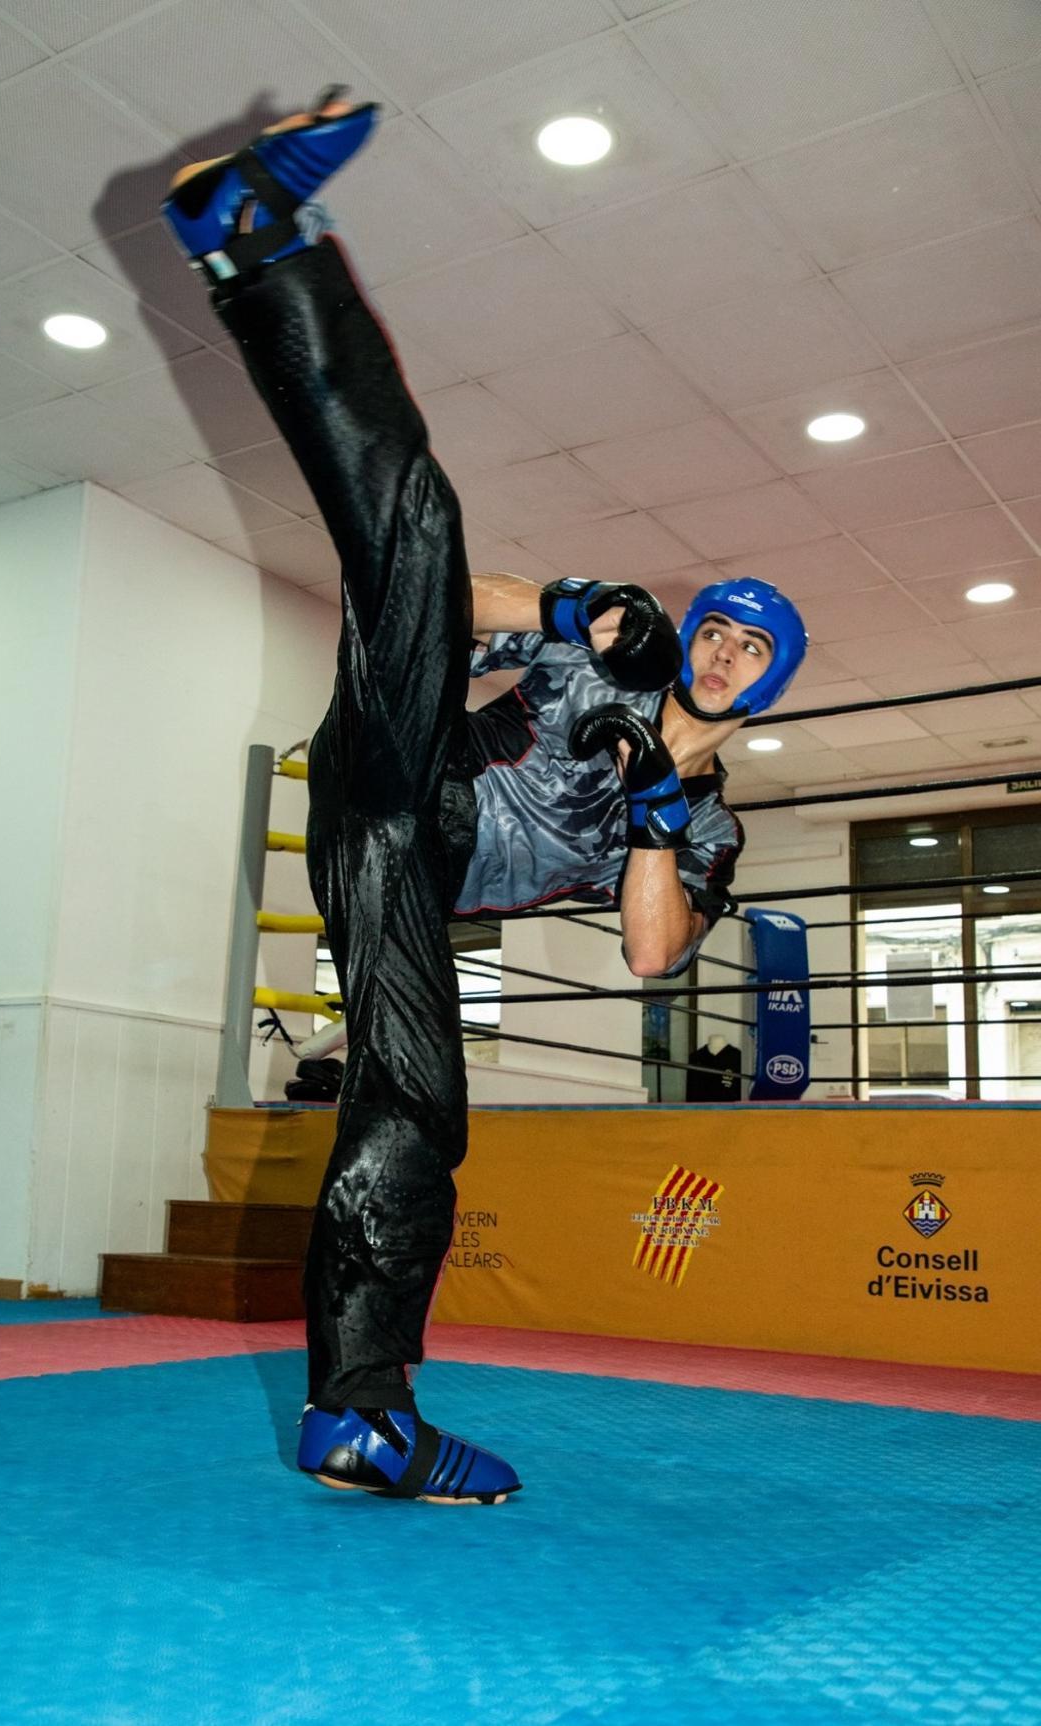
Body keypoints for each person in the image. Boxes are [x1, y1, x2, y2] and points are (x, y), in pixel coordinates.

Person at [161, 92, 807, 1506]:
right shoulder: (612, 653)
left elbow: (650, 952)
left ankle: (362, 1413)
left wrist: (648, 813)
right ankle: (260, 243)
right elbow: (446, 608)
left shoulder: (711, 827)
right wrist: (575, 603)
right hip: (403, 773)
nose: (726, 646)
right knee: (421, 538)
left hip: (404, 891)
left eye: (758, 647)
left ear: (767, 690)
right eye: (722, 623)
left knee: (419, 1107)